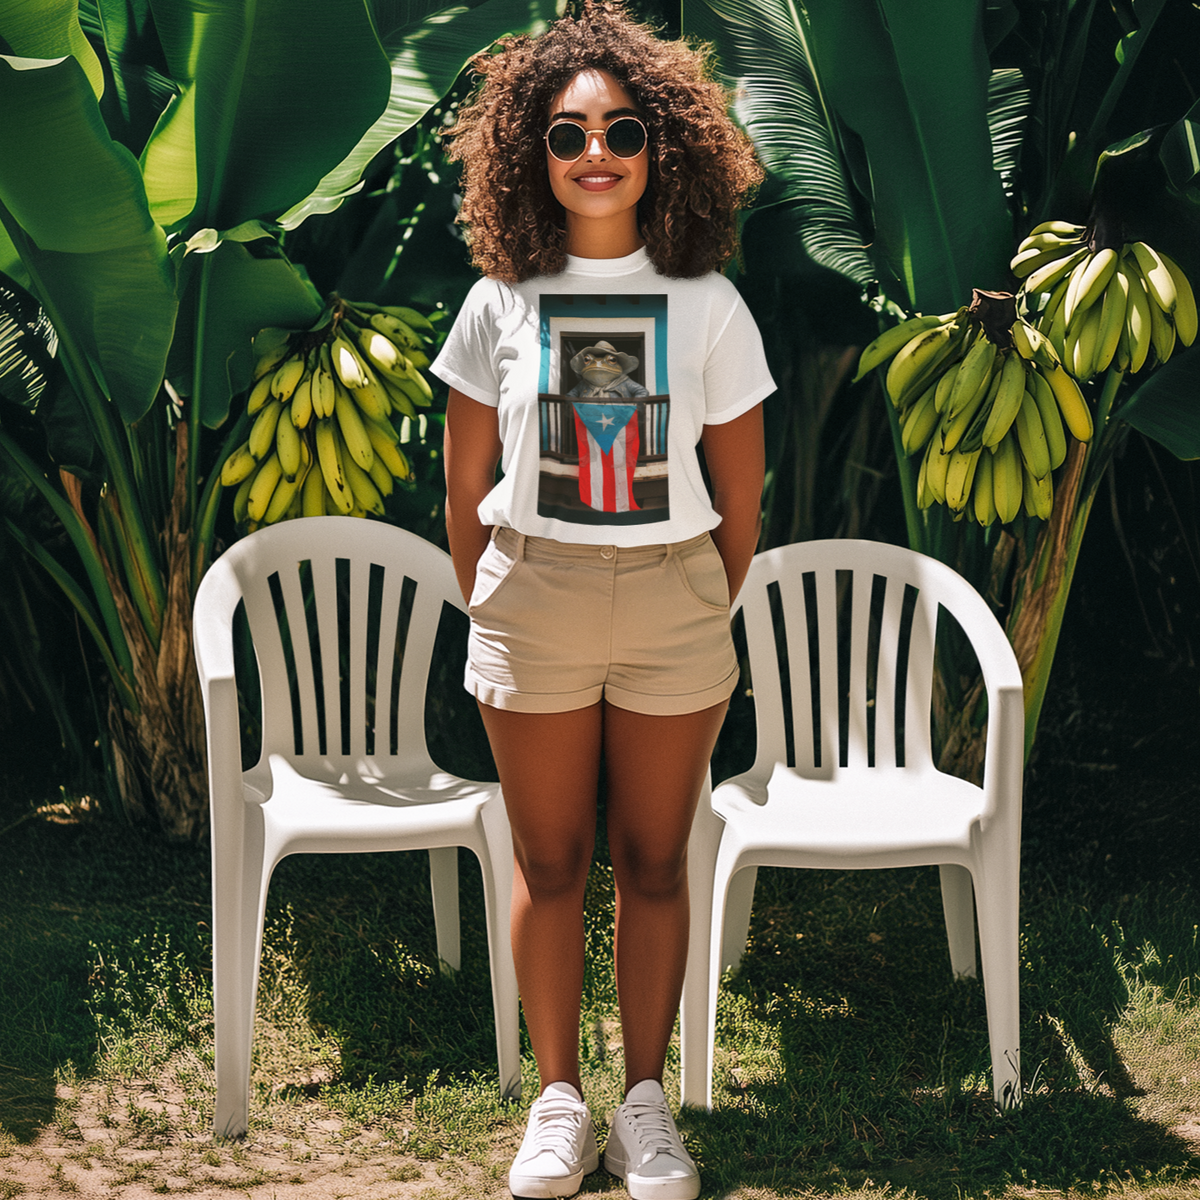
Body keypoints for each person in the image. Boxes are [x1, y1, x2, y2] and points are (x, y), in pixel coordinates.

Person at [431, 4, 773, 1197]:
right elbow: (465, 482)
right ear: (532, 148)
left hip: (675, 598)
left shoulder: (712, 303)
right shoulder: (497, 301)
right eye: (570, 132)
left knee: (658, 858)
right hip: (535, 595)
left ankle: (643, 1106)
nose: (597, 152)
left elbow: (741, 498)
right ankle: (557, 1101)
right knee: (552, 854)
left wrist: (692, 593)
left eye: (623, 130)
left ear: (660, 148)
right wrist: (502, 591)